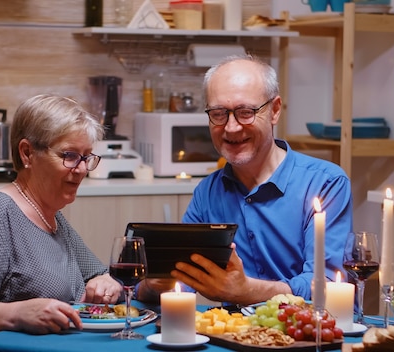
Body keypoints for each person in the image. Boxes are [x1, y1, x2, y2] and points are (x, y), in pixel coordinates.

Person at [137, 54, 353, 305]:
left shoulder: (325, 184)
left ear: (274, 111)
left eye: (245, 112)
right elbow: (181, 285)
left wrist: (246, 290)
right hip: (236, 339)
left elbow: (328, 286)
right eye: (219, 113)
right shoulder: (207, 193)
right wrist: (152, 283)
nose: (231, 127)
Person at [0, 94, 123, 351]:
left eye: (86, 157)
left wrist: (105, 282)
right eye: (69, 155)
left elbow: (97, 273)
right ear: (27, 153)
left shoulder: (50, 216)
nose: (82, 169)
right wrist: (16, 314)